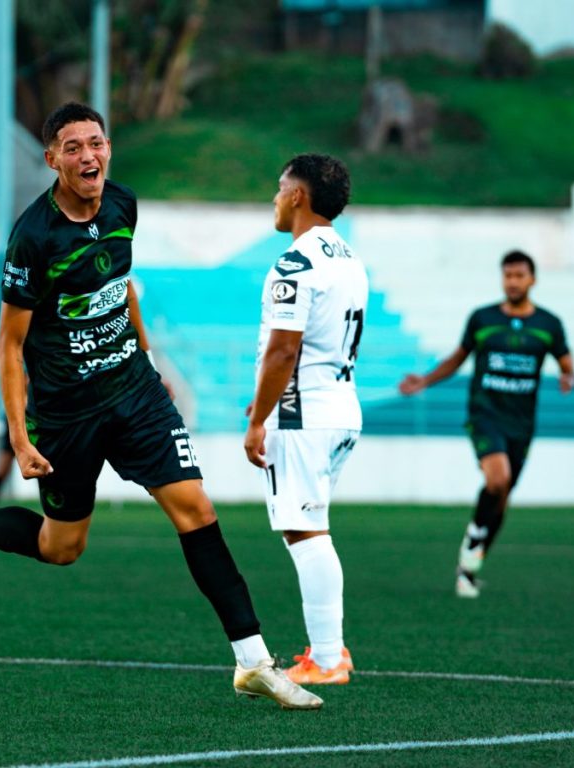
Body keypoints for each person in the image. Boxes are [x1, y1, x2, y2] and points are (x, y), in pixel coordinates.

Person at [0, 102, 321, 710]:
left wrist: (151, 362)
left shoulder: (123, 205)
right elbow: (10, 345)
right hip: (66, 415)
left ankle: (253, 661)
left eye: (97, 143)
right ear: (52, 159)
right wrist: (20, 439)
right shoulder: (32, 238)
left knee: (196, 509)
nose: (89, 156)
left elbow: (122, 286)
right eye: (73, 147)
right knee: (62, 548)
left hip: (134, 393)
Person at [243, 154, 366, 686]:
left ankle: (328, 656)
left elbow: (283, 352)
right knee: (311, 527)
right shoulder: (348, 257)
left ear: (298, 196)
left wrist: (259, 420)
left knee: (306, 531)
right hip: (339, 407)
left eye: (279, 187)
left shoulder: (295, 263)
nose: (274, 197)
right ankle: (328, 649)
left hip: (302, 415)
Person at [399, 250, 574, 598]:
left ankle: (470, 562)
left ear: (532, 279)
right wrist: (425, 381)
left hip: (521, 424)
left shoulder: (548, 325)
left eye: (519, 275)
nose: (513, 281)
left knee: (502, 496)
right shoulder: (483, 318)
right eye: (507, 275)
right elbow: (457, 357)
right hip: (485, 415)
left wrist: (569, 378)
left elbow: (567, 363)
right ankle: (474, 540)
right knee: (498, 479)